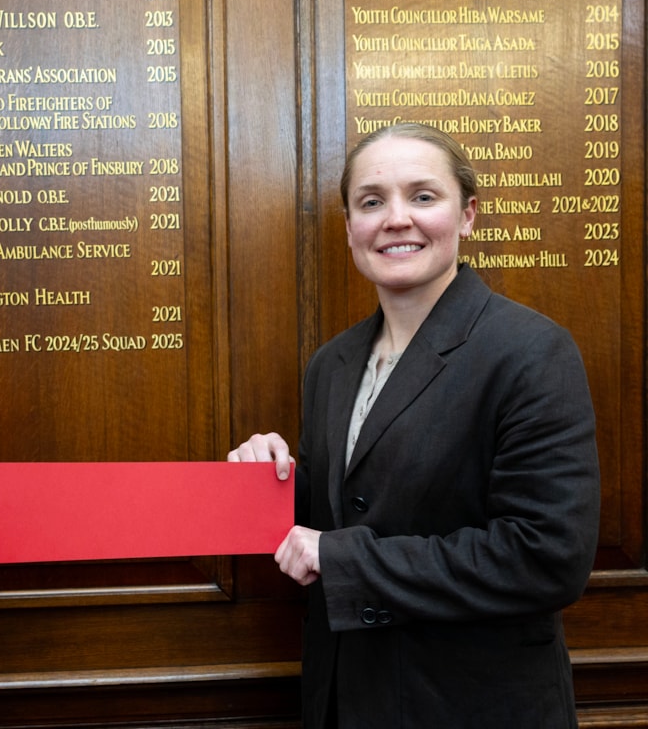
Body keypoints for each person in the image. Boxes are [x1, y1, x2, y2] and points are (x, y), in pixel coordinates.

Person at [230, 122, 600, 728]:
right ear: (350, 226)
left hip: (471, 708)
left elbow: (546, 557)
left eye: (423, 196)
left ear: (467, 215)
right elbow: (340, 518)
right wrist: (270, 478)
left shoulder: (531, 351)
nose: (396, 219)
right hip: (344, 702)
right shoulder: (332, 364)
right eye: (371, 202)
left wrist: (345, 560)